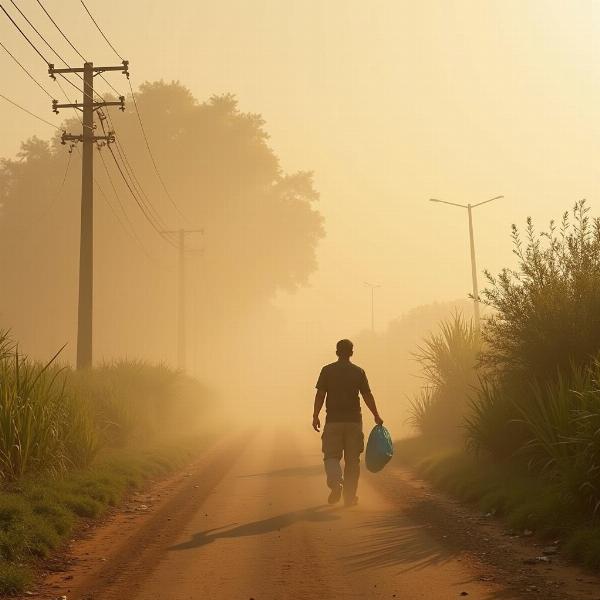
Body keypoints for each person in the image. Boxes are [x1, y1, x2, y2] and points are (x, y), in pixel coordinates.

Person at [312, 339, 383, 507]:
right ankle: (349, 497)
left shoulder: (327, 371)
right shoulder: (358, 372)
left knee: (331, 456)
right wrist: (376, 415)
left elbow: (320, 395)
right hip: (353, 422)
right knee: (352, 461)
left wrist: (315, 415)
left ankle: (336, 484)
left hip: (333, 421)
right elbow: (367, 395)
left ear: (337, 352)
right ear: (351, 352)